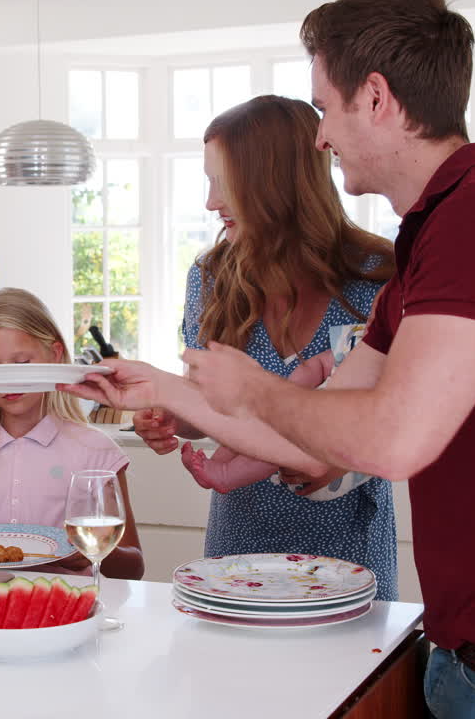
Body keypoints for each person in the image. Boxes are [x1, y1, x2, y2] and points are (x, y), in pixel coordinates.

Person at [70, 1, 475, 716]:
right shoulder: (429, 244)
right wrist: (157, 386)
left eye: (326, 108)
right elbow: (313, 444)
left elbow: (392, 439)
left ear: (376, 99)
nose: (320, 137)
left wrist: (253, 390)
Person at [144, 95, 400, 600]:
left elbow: (396, 417)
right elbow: (209, 404)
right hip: (236, 552)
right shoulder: (211, 278)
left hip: (350, 556)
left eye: (223, 182)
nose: (211, 202)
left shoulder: (380, 278)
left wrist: (340, 457)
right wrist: (176, 416)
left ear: (273, 182)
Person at [0, 289, 143, 580]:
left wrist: (87, 554)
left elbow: (134, 568)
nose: (9, 379)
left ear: (55, 354)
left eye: (22, 363)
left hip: (69, 610)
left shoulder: (95, 453)